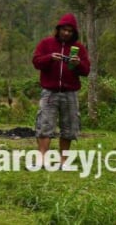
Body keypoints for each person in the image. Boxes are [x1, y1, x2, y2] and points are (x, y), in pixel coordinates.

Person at [32, 13, 90, 169]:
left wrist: (77, 63)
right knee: (45, 124)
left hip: (70, 92)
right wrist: (50, 58)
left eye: (70, 31)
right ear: (58, 29)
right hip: (49, 92)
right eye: (64, 29)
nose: (66, 33)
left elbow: (86, 71)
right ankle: (41, 160)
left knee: (69, 127)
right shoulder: (46, 44)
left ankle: (64, 161)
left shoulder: (79, 49)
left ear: (74, 32)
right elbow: (36, 62)